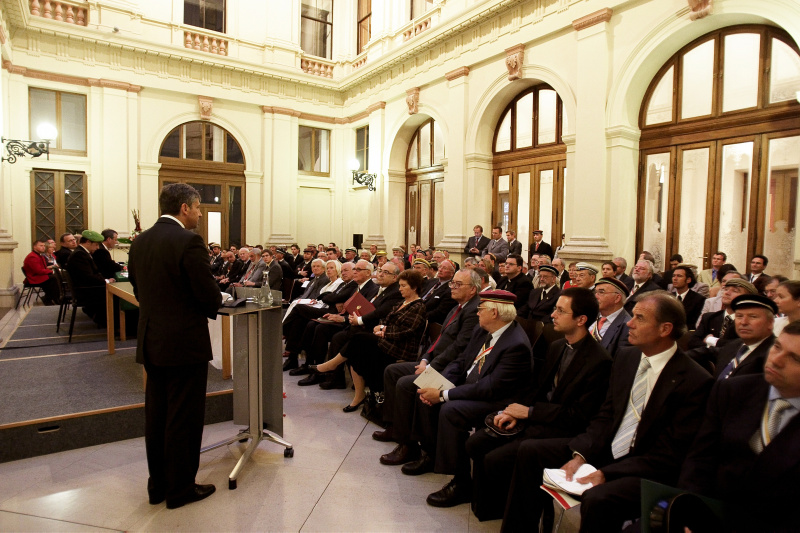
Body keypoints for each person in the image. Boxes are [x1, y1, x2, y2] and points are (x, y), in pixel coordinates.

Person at [502, 291, 713, 532]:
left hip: (645, 467)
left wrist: (606, 473)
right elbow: (607, 414)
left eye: (640, 318)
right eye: (632, 316)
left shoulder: (694, 380)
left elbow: (668, 453)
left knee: (599, 498)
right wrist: (581, 455)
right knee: (530, 451)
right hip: (607, 449)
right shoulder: (627, 357)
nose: (629, 324)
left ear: (665, 329)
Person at [466, 288, 612, 521]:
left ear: (581, 319)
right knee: (476, 442)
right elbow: (536, 388)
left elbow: (579, 415)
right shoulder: (557, 346)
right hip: (540, 418)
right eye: (554, 309)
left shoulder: (599, 360)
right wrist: (514, 412)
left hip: (562, 429)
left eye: (561, 311)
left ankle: (505, 507)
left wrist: (530, 412)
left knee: (497, 458)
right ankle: (489, 505)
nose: (553, 315)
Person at [128, 183, 222, 509]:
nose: (199, 214)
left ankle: (158, 486)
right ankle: (180, 489)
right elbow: (207, 295)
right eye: (197, 208)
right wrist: (214, 301)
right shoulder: (188, 241)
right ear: (184, 208)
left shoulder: (140, 241)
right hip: (184, 343)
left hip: (152, 340)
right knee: (184, 417)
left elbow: (138, 290)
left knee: (157, 416)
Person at [676, 320, 800, 533]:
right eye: (777, 347)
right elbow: (700, 459)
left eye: (795, 358)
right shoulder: (733, 390)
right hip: (706, 512)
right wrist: (690, 515)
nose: (776, 360)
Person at [375, 268, 482, 446]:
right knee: (392, 371)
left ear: (472, 289)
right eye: (452, 283)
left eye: (458, 284)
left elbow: (460, 347)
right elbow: (439, 339)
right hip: (435, 361)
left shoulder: (473, 311)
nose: (452, 287)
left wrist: (431, 366)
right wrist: (425, 359)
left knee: (405, 383)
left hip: (449, 368)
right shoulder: (457, 307)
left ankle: (407, 444)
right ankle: (394, 426)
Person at [309, 269, 427, 412]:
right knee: (356, 348)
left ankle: (332, 366)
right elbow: (385, 319)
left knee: (358, 339)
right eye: (400, 285)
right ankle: (357, 394)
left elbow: (406, 331)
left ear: (414, 288)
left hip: (399, 347)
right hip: (388, 340)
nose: (400, 288)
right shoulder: (403, 302)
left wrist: (383, 330)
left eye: (403, 286)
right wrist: (380, 327)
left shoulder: (418, 306)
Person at [691, 294, 776, 380]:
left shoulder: (775, 354)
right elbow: (708, 352)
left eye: (752, 317)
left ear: (770, 322)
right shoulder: (736, 344)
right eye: (739, 316)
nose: (743, 322)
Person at [66, 230, 114, 325]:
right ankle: (110, 322)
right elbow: (88, 277)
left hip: (85, 288)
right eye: (96, 245)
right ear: (88, 242)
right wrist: (106, 280)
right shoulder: (80, 255)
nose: (97, 248)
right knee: (115, 293)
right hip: (85, 292)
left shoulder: (81, 252)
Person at [589, 277, 632, 358]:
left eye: (601, 292)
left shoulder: (628, 326)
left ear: (617, 298)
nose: (595, 296)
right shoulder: (591, 315)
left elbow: (620, 360)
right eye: (595, 292)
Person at [22, 239, 60, 305]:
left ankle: (51, 298)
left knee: (53, 278)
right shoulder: (32, 256)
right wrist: (51, 271)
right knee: (53, 278)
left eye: (44, 246)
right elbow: (38, 271)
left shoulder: (38, 255)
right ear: (34, 247)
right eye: (41, 246)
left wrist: (50, 271)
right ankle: (52, 298)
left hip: (38, 275)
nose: (43, 247)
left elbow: (43, 268)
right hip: (34, 278)